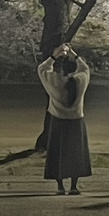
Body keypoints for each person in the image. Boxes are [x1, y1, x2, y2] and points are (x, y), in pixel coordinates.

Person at [38, 43, 92, 195]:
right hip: (76, 120)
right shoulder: (81, 80)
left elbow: (42, 69)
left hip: (58, 120)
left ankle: (60, 186)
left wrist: (55, 55)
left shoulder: (55, 81)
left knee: (57, 152)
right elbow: (85, 68)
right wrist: (74, 55)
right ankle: (74, 186)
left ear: (60, 69)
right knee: (76, 152)